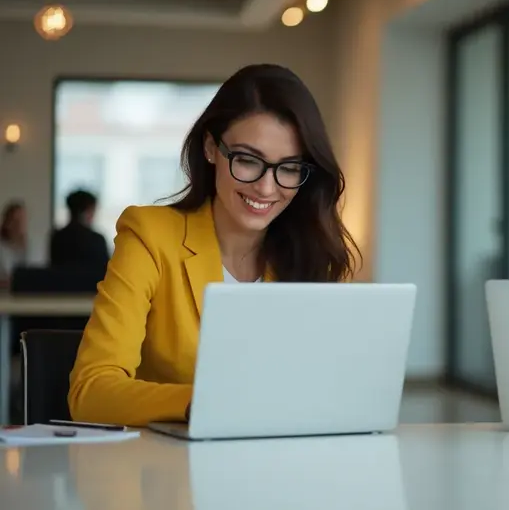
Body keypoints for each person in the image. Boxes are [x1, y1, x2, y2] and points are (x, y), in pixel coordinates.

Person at [68, 64, 359, 426]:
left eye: (288, 168)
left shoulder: (309, 255)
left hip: (281, 465)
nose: (266, 188)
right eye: (248, 160)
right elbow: (91, 393)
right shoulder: (150, 235)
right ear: (211, 148)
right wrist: (207, 402)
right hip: (167, 471)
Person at [49, 189, 110, 269]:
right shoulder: (97, 240)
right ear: (84, 212)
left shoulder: (57, 237)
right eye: (92, 210)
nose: (93, 215)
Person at [0, 200, 28, 288]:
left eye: (22, 220)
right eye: (16, 221)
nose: (19, 225)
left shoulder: (27, 246)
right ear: (7, 223)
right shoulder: (2, 247)